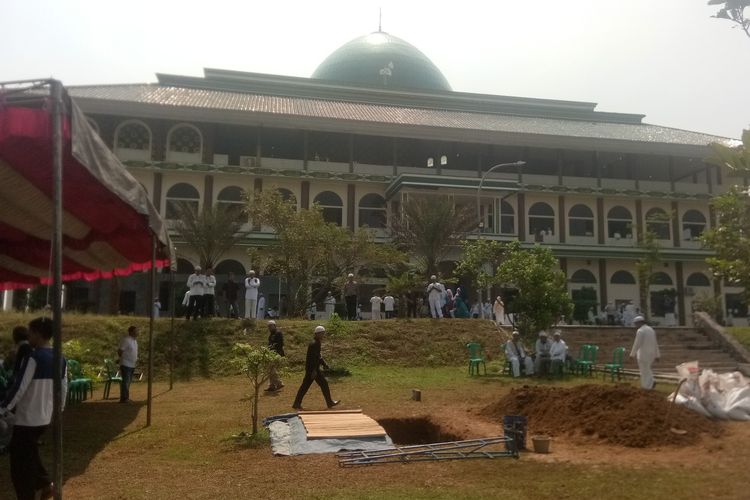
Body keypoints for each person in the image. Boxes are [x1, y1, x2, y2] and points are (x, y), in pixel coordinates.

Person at [1, 317, 67, 500]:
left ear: (38, 334)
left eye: (30, 332)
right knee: (29, 452)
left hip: (27, 418)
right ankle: (46, 484)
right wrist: (58, 410)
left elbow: (19, 387)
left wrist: (4, 408)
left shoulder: (34, 357)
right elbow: (63, 388)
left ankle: (28, 494)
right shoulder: (61, 357)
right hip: (45, 417)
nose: (28, 336)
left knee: (20, 465)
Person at [292, 326, 340, 410]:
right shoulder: (314, 343)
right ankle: (329, 403)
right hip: (312, 369)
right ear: (317, 334)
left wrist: (324, 364)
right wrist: (314, 371)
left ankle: (297, 403)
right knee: (320, 384)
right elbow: (313, 358)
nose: (323, 335)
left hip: (312, 369)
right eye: (322, 333)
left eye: (323, 333)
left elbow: (318, 356)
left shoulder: (316, 342)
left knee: (306, 386)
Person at [630, 316, 661, 390]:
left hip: (643, 354)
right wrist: (657, 355)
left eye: (636, 324)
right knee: (647, 369)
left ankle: (647, 386)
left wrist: (632, 354)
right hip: (651, 354)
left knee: (644, 371)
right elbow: (655, 343)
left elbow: (637, 343)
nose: (635, 326)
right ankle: (651, 382)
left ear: (639, 323)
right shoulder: (651, 330)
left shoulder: (640, 331)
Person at [118, 326, 139, 403]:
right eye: (136, 331)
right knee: (126, 382)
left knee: (128, 382)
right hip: (126, 364)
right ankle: (124, 399)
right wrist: (123, 358)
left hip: (132, 364)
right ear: (131, 332)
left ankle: (126, 397)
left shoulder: (134, 341)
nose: (137, 332)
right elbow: (120, 351)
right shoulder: (126, 340)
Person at [264, 320, 285, 392]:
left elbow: (280, 344)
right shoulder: (271, 335)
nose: (269, 327)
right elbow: (270, 345)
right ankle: (272, 385)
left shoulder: (278, 333)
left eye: (271, 326)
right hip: (271, 354)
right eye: (268, 326)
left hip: (276, 354)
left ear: (274, 326)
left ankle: (279, 383)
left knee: (272, 369)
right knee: (270, 370)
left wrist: (277, 354)